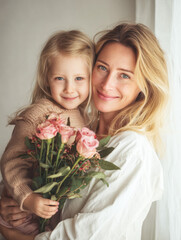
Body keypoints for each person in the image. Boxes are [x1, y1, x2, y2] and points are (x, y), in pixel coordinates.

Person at [0, 22, 169, 240]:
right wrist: (9, 205)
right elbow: (23, 168)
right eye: (102, 68)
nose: (107, 83)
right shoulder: (78, 131)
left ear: (144, 86)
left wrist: (11, 234)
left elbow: (89, 235)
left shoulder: (133, 150)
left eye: (124, 75)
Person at [0, 30, 94, 236]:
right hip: (25, 212)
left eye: (79, 78)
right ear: (46, 79)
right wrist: (28, 199)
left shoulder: (86, 118)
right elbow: (13, 161)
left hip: (50, 213)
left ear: (91, 79)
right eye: (60, 78)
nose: (69, 88)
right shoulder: (38, 114)